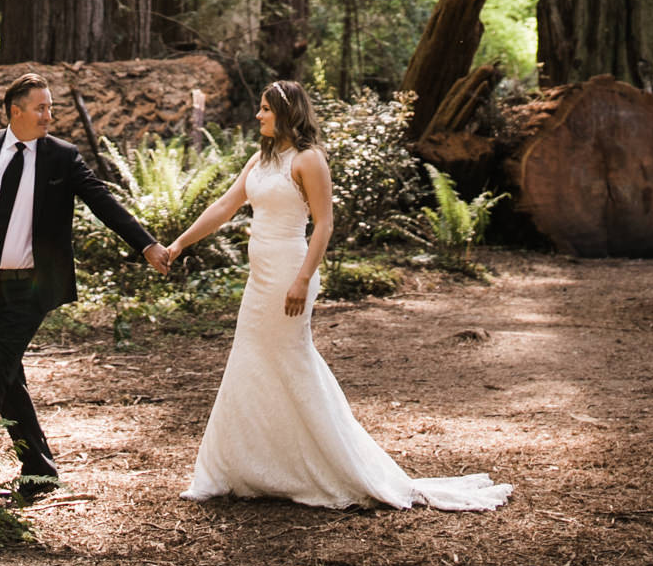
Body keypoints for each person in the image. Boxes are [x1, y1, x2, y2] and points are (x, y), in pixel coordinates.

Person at [167, 79, 512, 511]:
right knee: (250, 362)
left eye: (265, 109)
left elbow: (324, 224)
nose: (258, 116)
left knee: (292, 363)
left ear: (288, 113)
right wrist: (179, 245)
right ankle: (240, 467)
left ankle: (336, 464)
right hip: (259, 280)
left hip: (291, 274)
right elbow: (224, 207)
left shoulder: (309, 160)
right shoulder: (260, 159)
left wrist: (301, 278)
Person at [0, 73, 171, 495]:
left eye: (52, 108)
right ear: (16, 112)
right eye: (42, 108)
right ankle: (39, 471)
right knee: (8, 377)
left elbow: (103, 201)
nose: (50, 115)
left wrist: (146, 245)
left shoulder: (61, 157)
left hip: (31, 288)